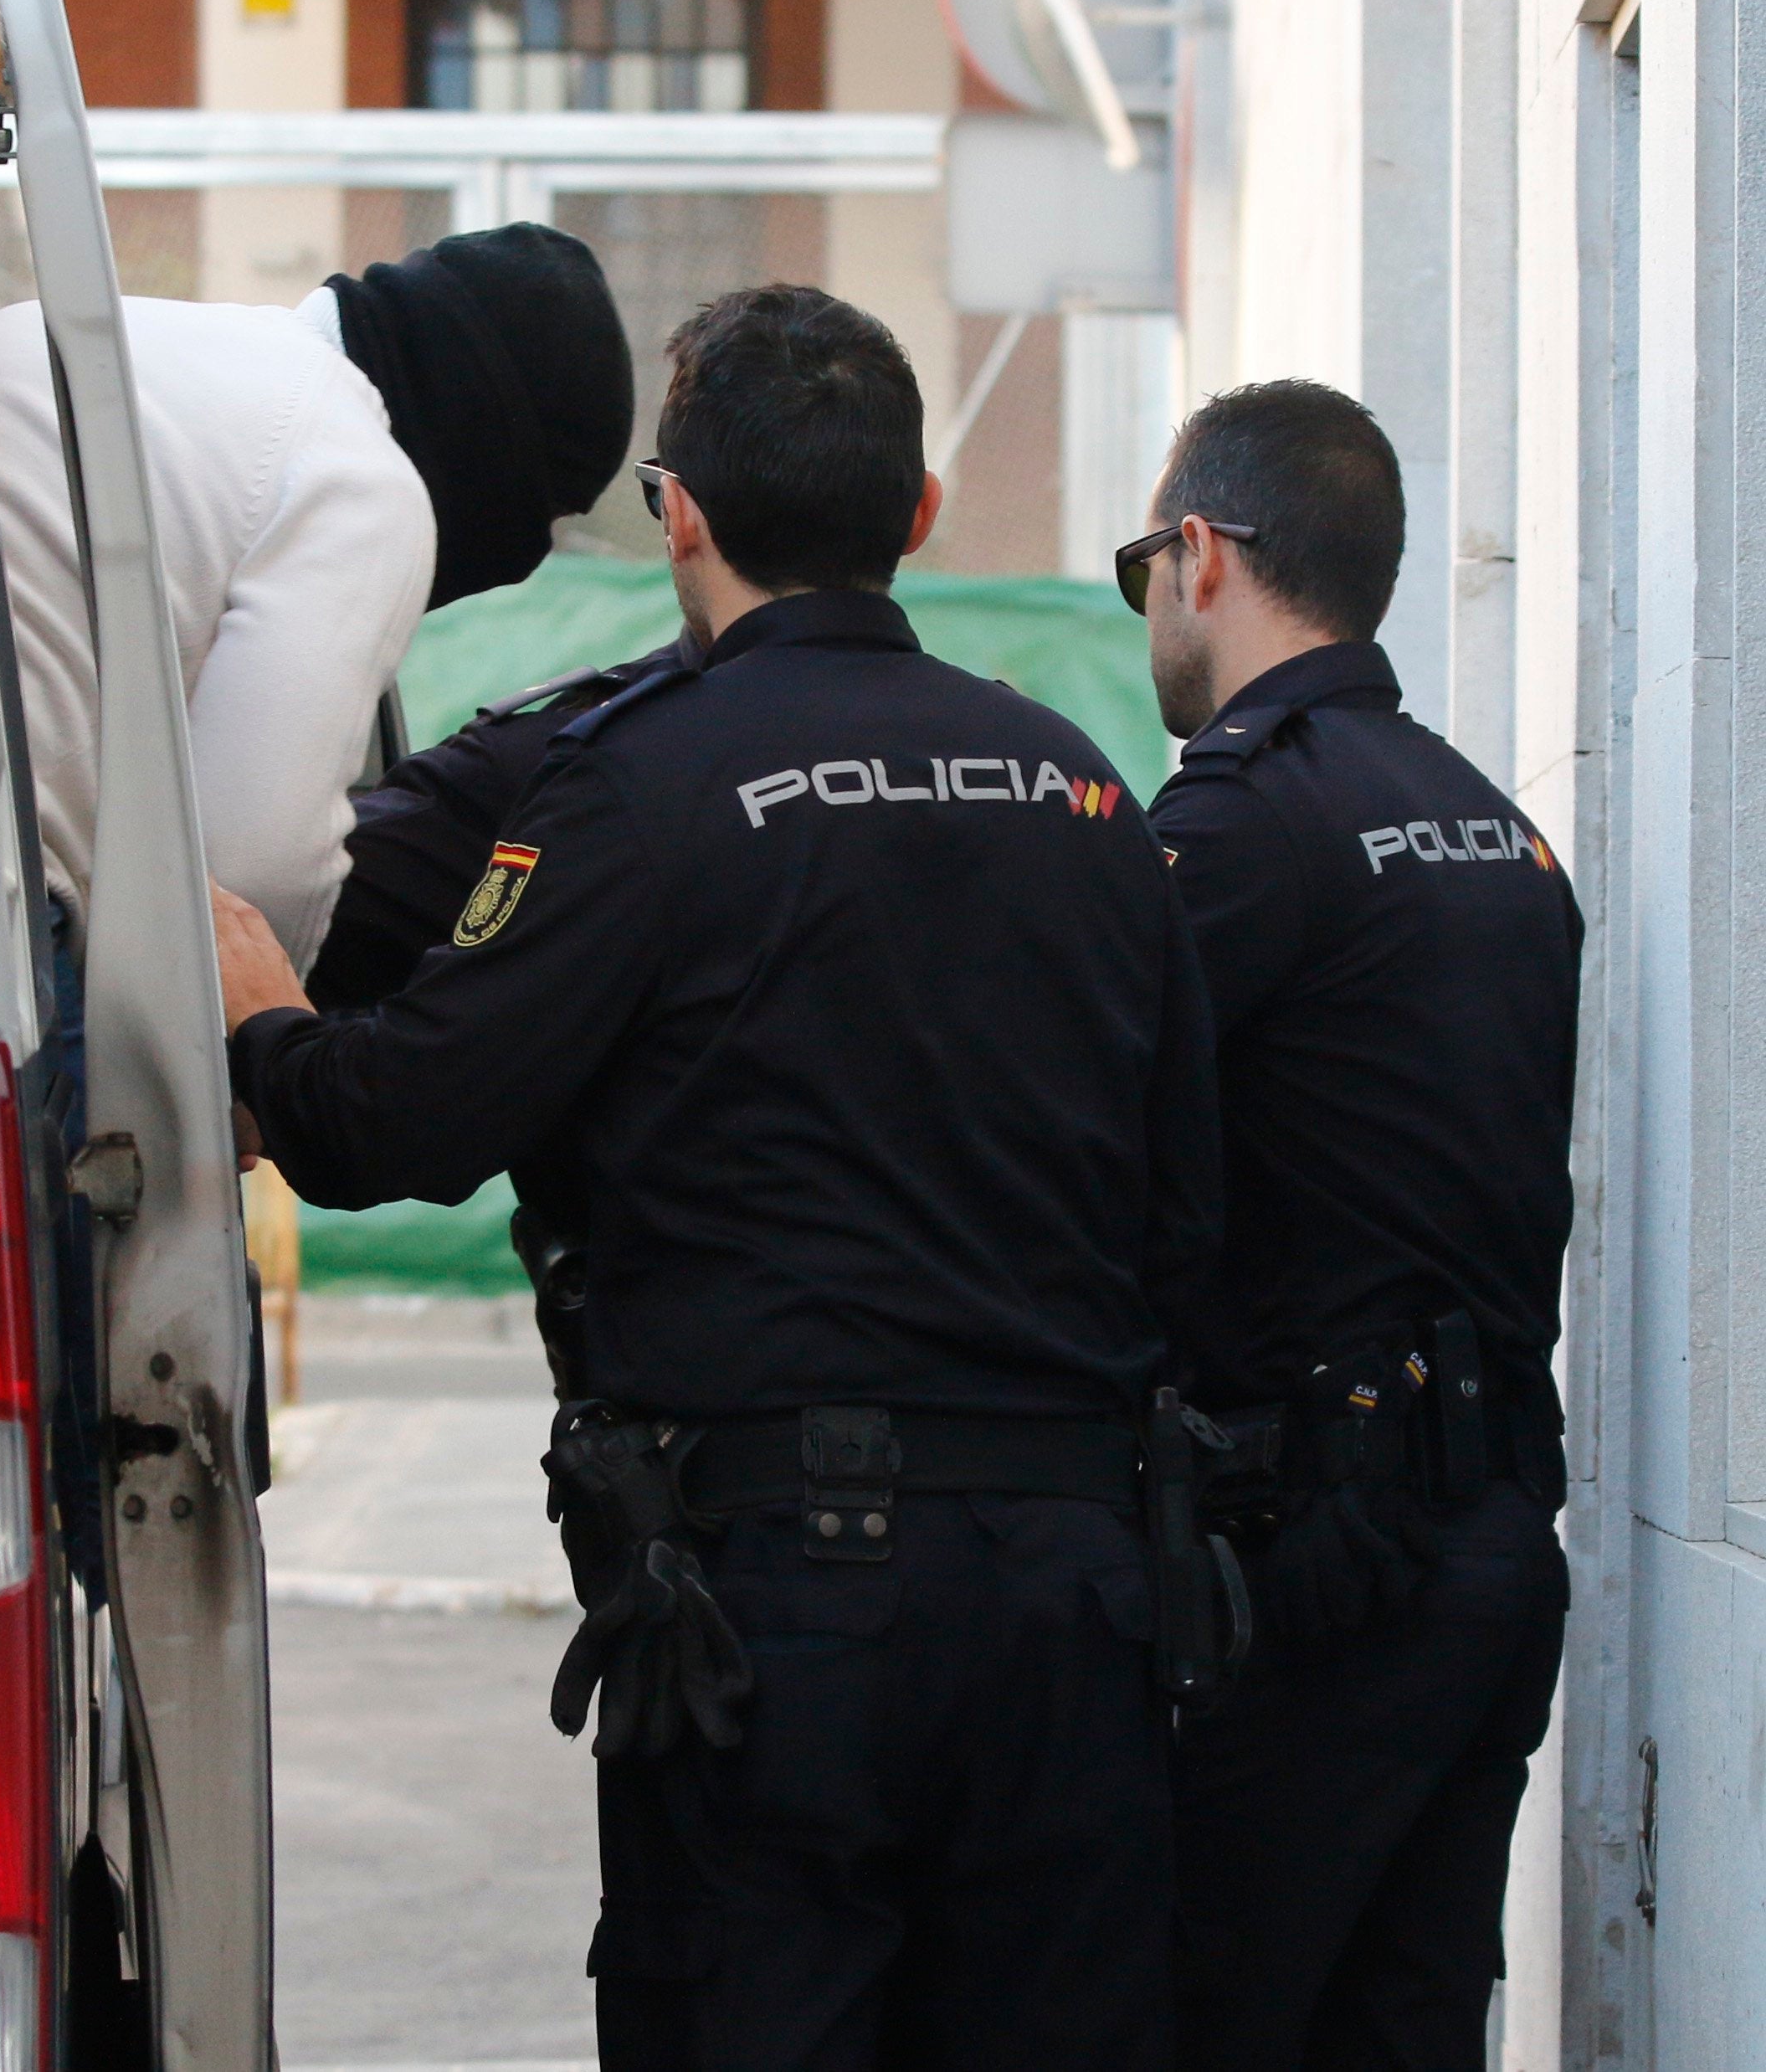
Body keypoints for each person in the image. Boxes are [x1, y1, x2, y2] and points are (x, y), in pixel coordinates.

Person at [215, 282, 1239, 2070]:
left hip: (785, 1618)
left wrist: (256, 1021)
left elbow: (400, 1123)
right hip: (1074, 1606)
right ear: (916, 516)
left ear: (675, 512)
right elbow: (1190, 1209)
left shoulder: (633, 787)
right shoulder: (1085, 790)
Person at [1128, 383, 1581, 2072]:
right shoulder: (1495, 827)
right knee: (1401, 2029)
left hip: (1324, 1565)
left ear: (1200, 553)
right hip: (1481, 1545)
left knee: (1203, 2016)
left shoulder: (1243, 823)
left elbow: (1083, 1137)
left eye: (1144, 568)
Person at [0, 222, 634, 975]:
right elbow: (255, 865)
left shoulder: (145, 342)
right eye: (543, 514)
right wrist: (268, 1055)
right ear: (493, 454)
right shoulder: (360, 479)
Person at [305, 633, 696, 1398]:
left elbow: (415, 1115)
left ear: (678, 514)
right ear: (920, 515)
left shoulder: (573, 766)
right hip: (996, 1444)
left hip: (717, 1444)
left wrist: (268, 1043)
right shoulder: (1005, 746)